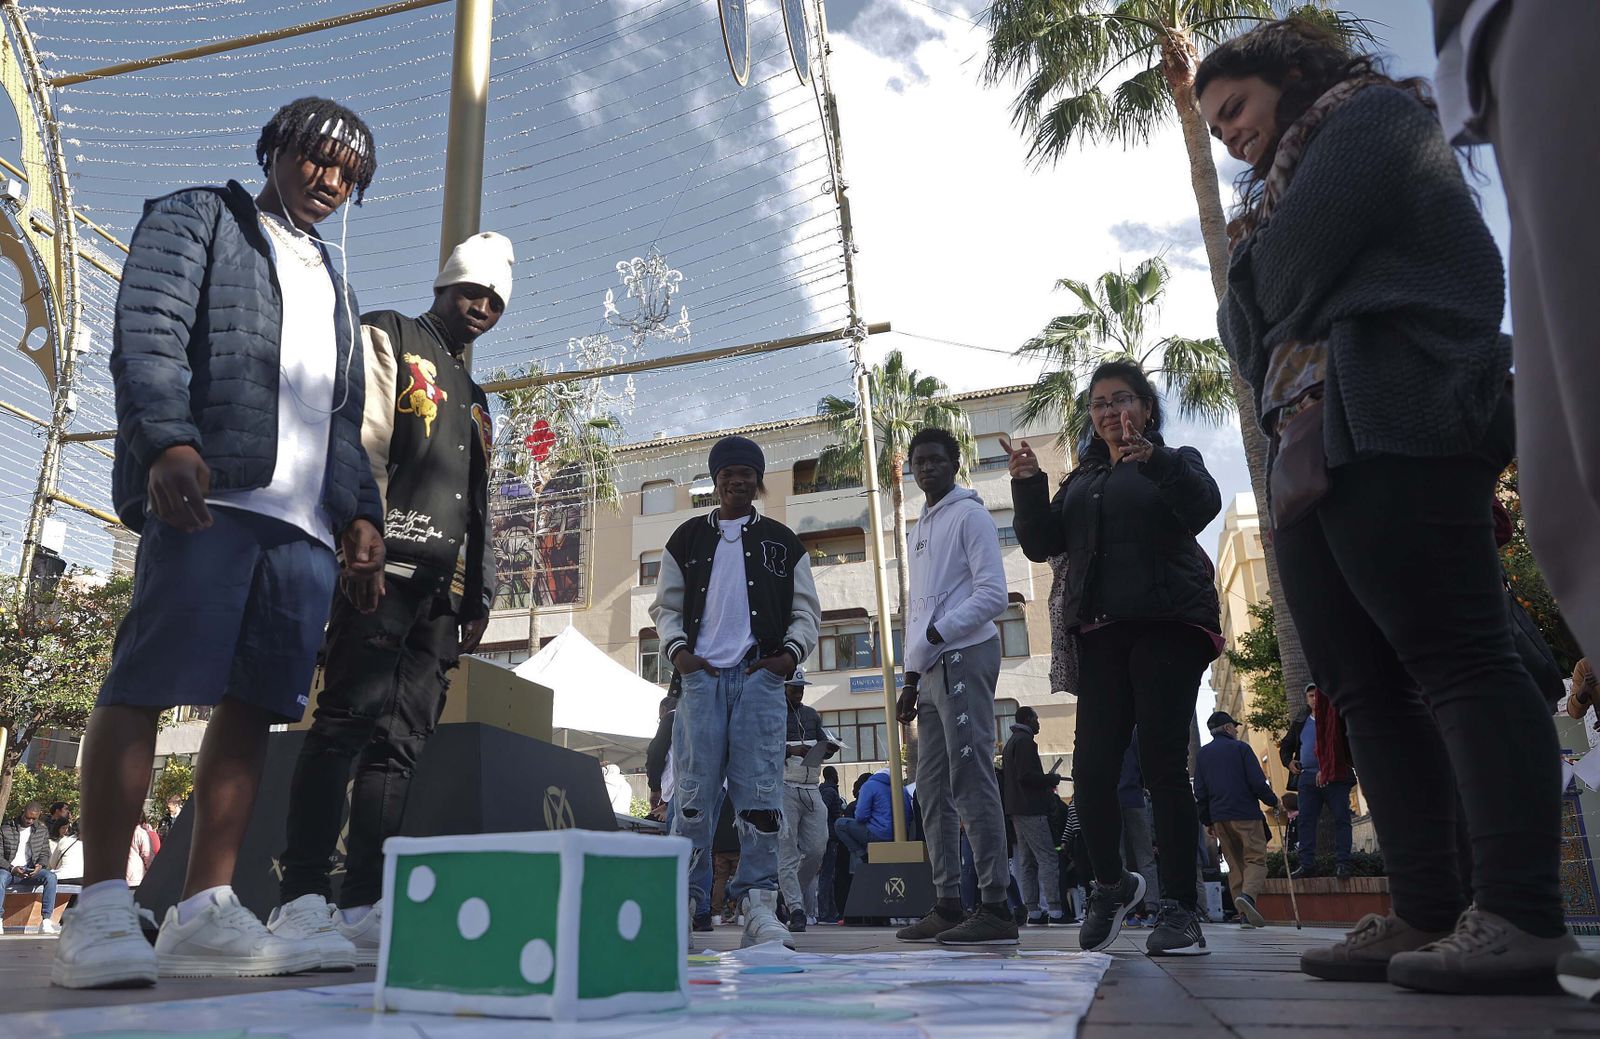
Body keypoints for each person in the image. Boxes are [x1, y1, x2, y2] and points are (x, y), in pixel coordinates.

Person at [1200, 19, 1577, 992]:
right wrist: (1269, 274)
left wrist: (1267, 268)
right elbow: (1245, 339)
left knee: (1456, 658)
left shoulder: (1370, 120)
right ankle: (1424, 907)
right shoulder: (1281, 191)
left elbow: (1271, 281)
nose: (1225, 136)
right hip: (1308, 441)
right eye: (1210, 126)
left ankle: (1520, 913)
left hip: (1397, 417)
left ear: (1289, 75)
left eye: (1232, 108)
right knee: (1363, 688)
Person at [53, 97, 383, 991]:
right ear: (275, 149)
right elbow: (149, 328)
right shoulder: (198, 215)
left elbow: (344, 417)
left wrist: (361, 515)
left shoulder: (340, 286)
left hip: (305, 527)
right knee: (147, 679)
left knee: (256, 704)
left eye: (349, 175)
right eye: (317, 159)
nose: (330, 181)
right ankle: (103, 907)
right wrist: (165, 437)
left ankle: (204, 909)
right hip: (215, 493)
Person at [274, 232, 507, 967]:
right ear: (444, 284)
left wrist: (482, 588)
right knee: (344, 720)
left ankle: (366, 901)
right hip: (383, 565)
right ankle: (301, 893)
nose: (483, 307)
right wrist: (359, 528)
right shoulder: (390, 334)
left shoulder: (475, 397)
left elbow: (480, 500)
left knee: (400, 744)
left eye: (496, 300)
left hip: (444, 589)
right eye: (473, 291)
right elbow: (365, 439)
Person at [1010, 359, 1223, 957]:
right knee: (1095, 771)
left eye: (1121, 399)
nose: (1109, 412)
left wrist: (1154, 461)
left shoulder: (1173, 459)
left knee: (1162, 769)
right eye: (1099, 403)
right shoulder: (1081, 480)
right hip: (1100, 634)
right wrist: (1027, 484)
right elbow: (1041, 541)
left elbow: (1201, 506)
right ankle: (1111, 885)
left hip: (1167, 626)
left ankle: (1180, 909)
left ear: (1146, 409)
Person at [1430, 2, 1600, 715]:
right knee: (1565, 510)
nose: (1230, 133)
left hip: (1531, 30)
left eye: (1234, 112)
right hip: (1489, 61)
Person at [650, 434, 820, 949]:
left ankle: (758, 906)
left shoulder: (784, 542)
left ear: (758, 480)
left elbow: (807, 610)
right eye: (729, 473)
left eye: (748, 473)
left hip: (760, 680)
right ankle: (685, 903)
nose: (738, 481)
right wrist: (680, 654)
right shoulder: (685, 539)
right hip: (699, 683)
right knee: (694, 799)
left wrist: (786, 659)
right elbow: (666, 607)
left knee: (762, 800)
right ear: (715, 479)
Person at [889, 426, 1016, 947]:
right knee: (932, 789)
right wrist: (910, 677)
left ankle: (996, 904)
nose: (927, 468)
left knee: (970, 777)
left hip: (965, 653)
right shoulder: (920, 527)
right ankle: (947, 903)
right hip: (932, 667)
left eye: (937, 459)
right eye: (919, 461)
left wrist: (940, 634)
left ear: (955, 462)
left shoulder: (971, 515)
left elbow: (994, 595)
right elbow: (919, 609)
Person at [1195, 712, 1279, 930]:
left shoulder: (1202, 755)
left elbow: (1200, 791)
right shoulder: (1241, 748)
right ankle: (1249, 898)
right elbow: (1257, 782)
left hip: (1219, 817)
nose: (1235, 729)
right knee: (1255, 859)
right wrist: (1274, 802)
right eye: (1233, 726)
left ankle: (1244, 916)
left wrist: (1208, 821)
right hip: (1246, 814)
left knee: (1235, 865)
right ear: (1227, 728)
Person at [778, 668, 836, 933]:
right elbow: (761, 747)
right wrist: (790, 749)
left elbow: (823, 744)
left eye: (801, 689)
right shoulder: (772, 713)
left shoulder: (812, 714)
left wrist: (830, 749)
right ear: (783, 688)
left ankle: (789, 897)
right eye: (794, 689)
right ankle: (796, 909)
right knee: (787, 852)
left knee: (816, 849)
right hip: (785, 786)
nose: (799, 694)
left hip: (811, 785)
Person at [1281, 684, 1355, 880]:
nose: (1314, 699)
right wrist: (1289, 762)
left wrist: (1327, 768)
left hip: (1336, 776)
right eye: (1311, 695)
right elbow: (1286, 746)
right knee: (1305, 821)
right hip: (1307, 778)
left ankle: (1343, 864)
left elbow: (1342, 747)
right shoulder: (1300, 722)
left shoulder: (1336, 719)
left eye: (1317, 695)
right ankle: (1307, 865)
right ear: (1306, 699)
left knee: (1341, 818)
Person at [1001, 706, 1063, 928]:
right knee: (1047, 858)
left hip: (1016, 808)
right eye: (1037, 719)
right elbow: (1026, 776)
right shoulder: (1025, 742)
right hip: (1031, 808)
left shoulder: (1011, 742)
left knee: (1027, 862)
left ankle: (1034, 911)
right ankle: (1055, 910)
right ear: (1028, 719)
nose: (1039, 723)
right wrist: (1050, 779)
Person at [1118, 736, 1161, 926]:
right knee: (1145, 856)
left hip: (1110, 800)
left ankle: (1127, 910)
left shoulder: (1101, 728)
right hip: (1134, 797)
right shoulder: (1134, 733)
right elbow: (1145, 764)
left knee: (1119, 859)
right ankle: (1152, 909)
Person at [3, 802, 60, 935]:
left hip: (30, 870)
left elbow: (45, 853)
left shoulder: (41, 829)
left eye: (34, 819)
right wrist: (12, 868)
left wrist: (40, 865)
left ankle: (46, 920)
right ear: (23, 812)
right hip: (9, 870)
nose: (30, 821)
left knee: (51, 877)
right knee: (0, 878)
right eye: (27, 817)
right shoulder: (6, 828)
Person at [834, 768, 907, 870]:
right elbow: (908, 814)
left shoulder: (869, 786)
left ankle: (863, 857)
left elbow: (860, 816)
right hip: (900, 835)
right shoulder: (902, 789)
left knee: (840, 824)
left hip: (878, 834)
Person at [816, 765, 843, 923]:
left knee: (826, 876)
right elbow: (825, 812)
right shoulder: (830, 792)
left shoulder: (822, 790)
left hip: (824, 836)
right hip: (829, 837)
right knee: (827, 876)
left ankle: (829, 912)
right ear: (833, 775)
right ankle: (826, 913)